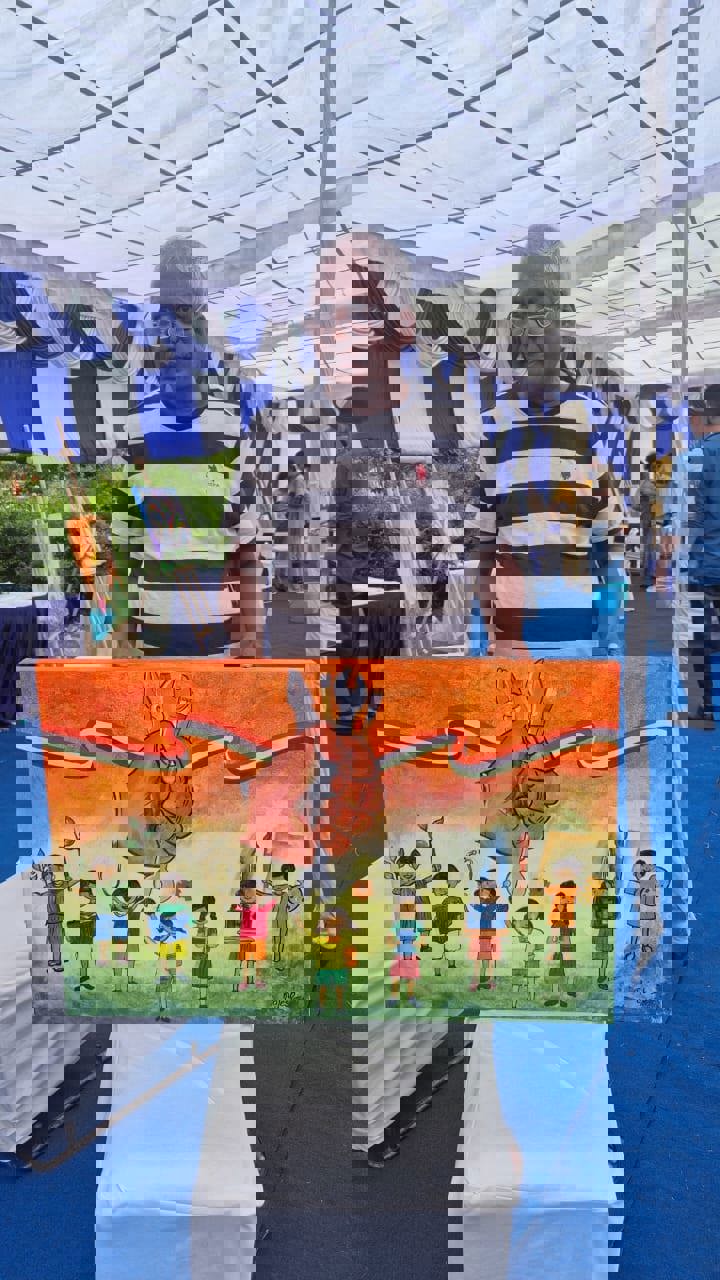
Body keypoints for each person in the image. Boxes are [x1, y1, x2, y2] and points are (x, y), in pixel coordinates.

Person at [687, 387, 720, 722]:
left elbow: (685, 516)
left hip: (707, 563)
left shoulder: (697, 456)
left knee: (704, 637)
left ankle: (711, 704)